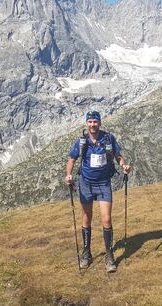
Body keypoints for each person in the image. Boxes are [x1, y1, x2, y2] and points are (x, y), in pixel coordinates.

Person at [65, 110, 131, 272]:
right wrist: (68, 175)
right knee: (86, 218)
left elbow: (118, 156)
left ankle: (109, 255)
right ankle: (86, 253)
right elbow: (72, 158)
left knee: (106, 220)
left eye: (95, 121)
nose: (93, 124)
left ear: (100, 122)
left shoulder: (108, 138)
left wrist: (124, 166)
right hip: (86, 183)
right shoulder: (82, 141)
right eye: (90, 122)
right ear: (86, 124)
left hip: (103, 183)